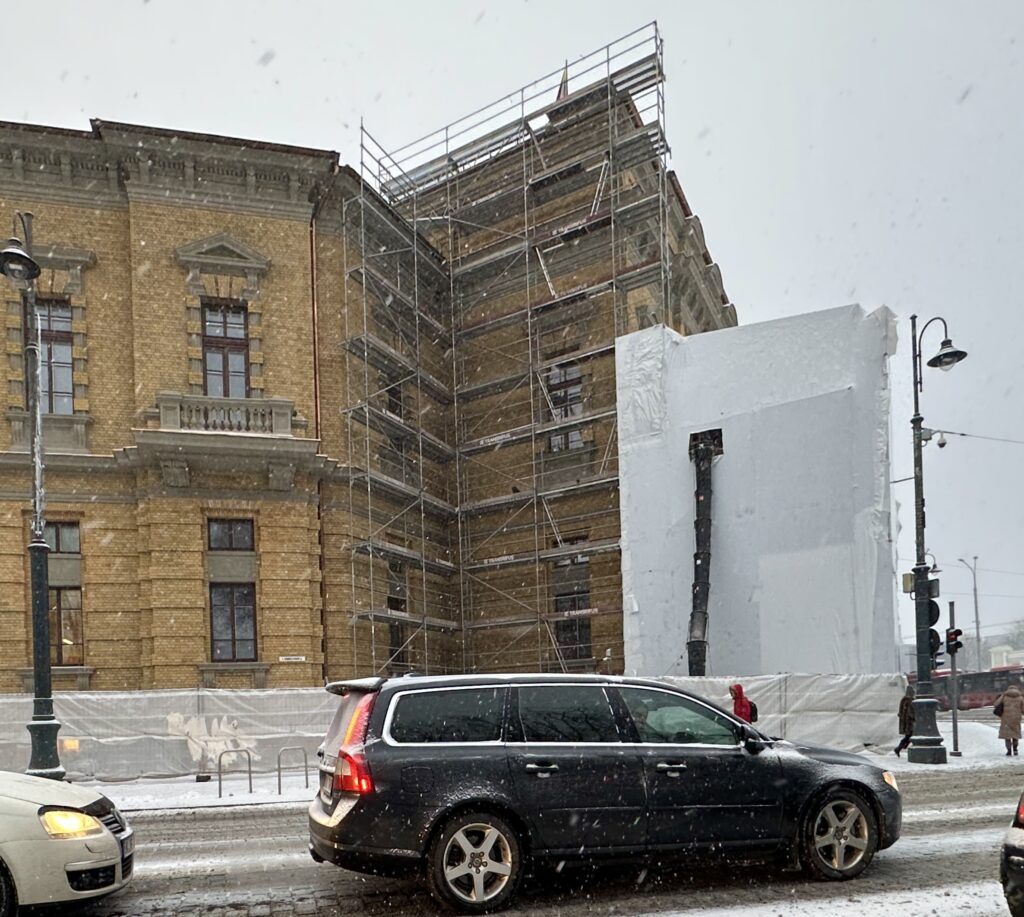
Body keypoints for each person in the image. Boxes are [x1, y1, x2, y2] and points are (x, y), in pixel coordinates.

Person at [996, 681, 1024, 756]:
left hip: (1006, 718)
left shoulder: (1004, 696)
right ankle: (1015, 749)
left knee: (1007, 735)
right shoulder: (1020, 697)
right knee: (1015, 734)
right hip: (1016, 718)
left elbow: (996, 704)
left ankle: (1009, 750)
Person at [894, 685, 915, 757]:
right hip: (909, 722)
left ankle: (901, 747)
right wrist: (914, 718)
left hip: (905, 722)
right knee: (910, 736)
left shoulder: (904, 700)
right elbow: (909, 712)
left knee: (909, 736)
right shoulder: (909, 700)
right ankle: (899, 748)